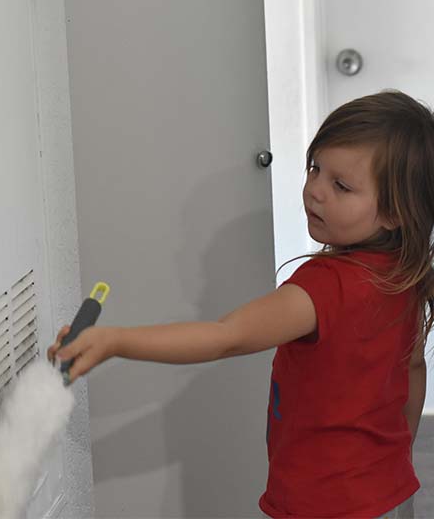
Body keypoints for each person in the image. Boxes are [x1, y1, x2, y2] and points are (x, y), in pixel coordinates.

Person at [47, 89, 432, 518]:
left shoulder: (325, 289)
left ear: (396, 212)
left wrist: (115, 341)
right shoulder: (405, 275)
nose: (314, 191)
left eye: (341, 186)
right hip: (390, 492)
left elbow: (225, 337)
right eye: (314, 168)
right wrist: (398, 455)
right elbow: (413, 369)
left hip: (326, 505)